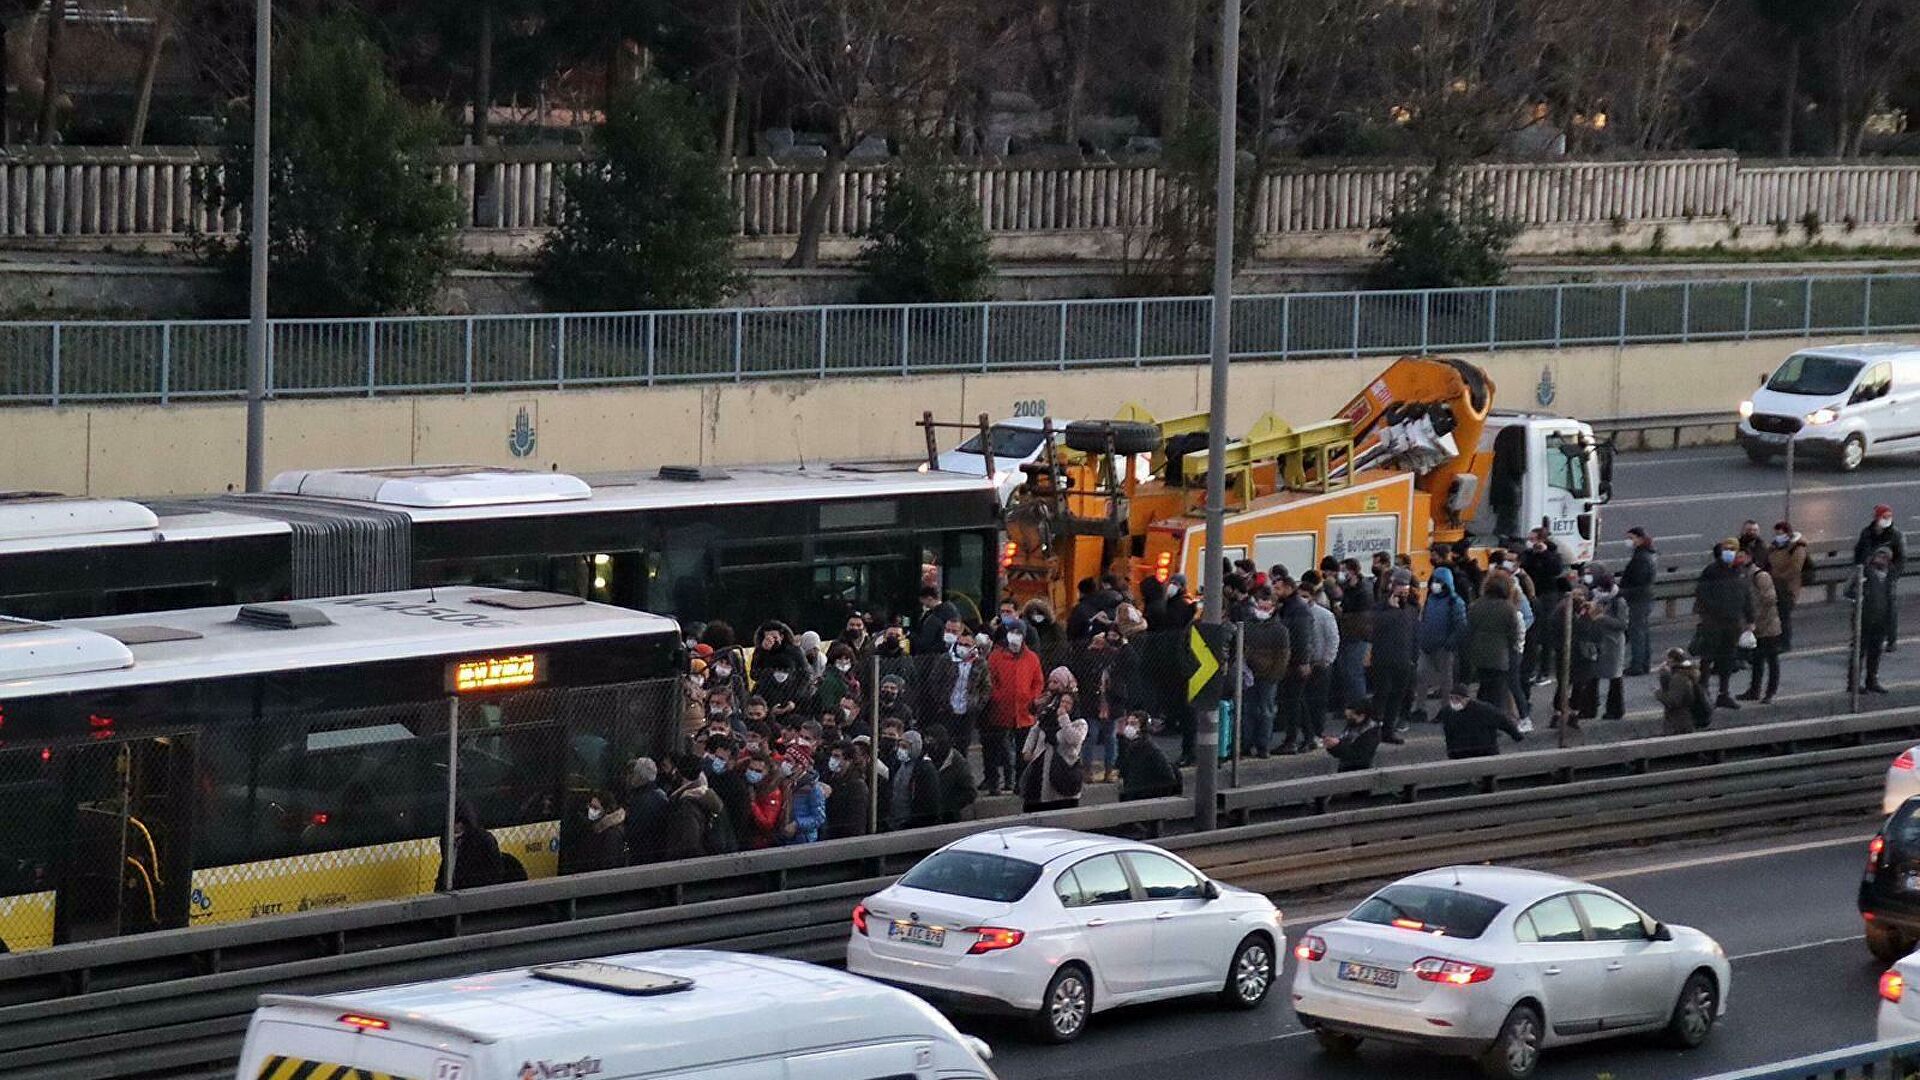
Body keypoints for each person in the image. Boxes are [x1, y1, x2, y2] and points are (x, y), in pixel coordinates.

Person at [984, 623, 1045, 795]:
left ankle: (1020, 783)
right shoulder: (996, 656)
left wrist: (1033, 698)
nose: (1015, 635)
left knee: (1022, 752)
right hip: (1000, 711)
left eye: (1018, 632)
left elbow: (1038, 681)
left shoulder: (1032, 657)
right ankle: (994, 784)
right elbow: (990, 680)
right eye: (1012, 632)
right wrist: (998, 696)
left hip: (1024, 712)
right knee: (995, 751)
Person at [1693, 540, 1751, 710]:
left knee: (1728, 658)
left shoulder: (1739, 571)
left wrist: (1750, 618)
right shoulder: (1712, 571)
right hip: (1714, 622)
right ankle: (1703, 692)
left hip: (1733, 623)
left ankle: (1723, 694)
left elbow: (1745, 595)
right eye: (1727, 549)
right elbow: (1701, 593)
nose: (1730, 552)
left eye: (1733, 550)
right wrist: (1713, 611)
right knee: (1708, 657)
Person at [1021, 668, 1089, 812]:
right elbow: (1036, 729)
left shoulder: (1079, 723)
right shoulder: (1048, 713)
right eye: (1062, 702)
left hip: (1063, 769)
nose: (1063, 705)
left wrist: (1063, 718)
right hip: (1042, 763)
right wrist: (1027, 750)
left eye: (1068, 703)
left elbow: (1072, 739)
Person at [1240, 586, 1291, 757]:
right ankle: (1246, 744)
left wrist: (1273, 676)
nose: (1261, 611)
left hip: (1267, 677)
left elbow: (1282, 657)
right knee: (1248, 710)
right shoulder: (1247, 626)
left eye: (1266, 608)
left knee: (1265, 711)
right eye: (1259, 607)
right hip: (1250, 676)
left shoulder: (1280, 630)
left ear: (1273, 608)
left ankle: (1263, 745)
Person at [928, 628, 992, 760]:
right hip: (947, 710)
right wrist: (941, 701)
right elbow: (934, 681)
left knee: (963, 746)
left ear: (973, 647)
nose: (962, 647)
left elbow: (986, 687)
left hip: (967, 712)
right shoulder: (946, 660)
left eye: (967, 645)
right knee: (944, 744)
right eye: (960, 644)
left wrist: (977, 705)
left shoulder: (980, 663)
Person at [1415, 566, 1467, 722]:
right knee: (1421, 676)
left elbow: (1461, 625)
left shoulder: (1455, 602)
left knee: (1446, 680)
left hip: (1443, 647)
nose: (1435, 584)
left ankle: (1446, 709)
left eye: (1439, 581)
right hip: (1427, 645)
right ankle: (1420, 708)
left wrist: (1450, 643)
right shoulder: (1430, 599)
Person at [1369, 580, 1419, 743]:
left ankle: (1388, 730)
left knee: (1397, 696)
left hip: (1403, 659)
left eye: (1405, 593)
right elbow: (1375, 626)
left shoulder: (1411, 610)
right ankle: (1374, 729)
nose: (1402, 597)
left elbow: (1414, 635)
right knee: (1381, 695)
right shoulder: (1379, 609)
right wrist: (1392, 610)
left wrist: (1413, 657)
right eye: (1399, 594)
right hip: (1383, 659)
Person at [1467, 576, 1521, 715]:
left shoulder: (1476, 605)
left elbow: (1470, 628)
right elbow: (1513, 633)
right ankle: (1493, 722)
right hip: (1500, 655)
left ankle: (1479, 718)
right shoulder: (1508, 608)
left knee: (1483, 687)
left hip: (1479, 653)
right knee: (1497, 692)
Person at [1856, 505, 1906, 651]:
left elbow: (1901, 559)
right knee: (1863, 608)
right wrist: (1862, 570)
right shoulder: (1867, 533)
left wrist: (1892, 576)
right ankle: (1860, 639)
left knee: (1890, 606)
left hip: (1886, 577)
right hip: (1869, 576)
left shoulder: (1895, 536)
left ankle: (1891, 639)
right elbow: (1859, 553)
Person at [1737, 548, 1783, 704]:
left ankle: (1770, 692)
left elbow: (1769, 600)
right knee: (1757, 660)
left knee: (1771, 659)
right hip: (1756, 626)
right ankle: (1754, 690)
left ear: (1750, 557)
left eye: (1742, 556)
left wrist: (1756, 620)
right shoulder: (1743, 575)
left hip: (1768, 626)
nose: (1739, 559)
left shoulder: (1760, 575)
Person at [1853, 546, 1898, 694]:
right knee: (1859, 652)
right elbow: (1848, 590)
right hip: (1864, 618)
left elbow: (1892, 603)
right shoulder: (1863, 572)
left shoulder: (1890, 577)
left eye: (1885, 557)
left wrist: (1892, 635)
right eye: (1879, 555)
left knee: (1875, 653)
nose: (1881, 559)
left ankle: (1871, 680)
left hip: (1881, 620)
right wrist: (1861, 597)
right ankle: (1853, 683)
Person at [1585, 568, 1628, 720]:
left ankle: (1615, 710)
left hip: (1612, 644)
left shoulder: (1619, 601)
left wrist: (1602, 617)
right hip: (1597, 641)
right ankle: (1589, 708)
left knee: (1614, 677)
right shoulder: (1593, 597)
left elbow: (1622, 624)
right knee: (1591, 676)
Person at [1439, 684, 1525, 759]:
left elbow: (1503, 721)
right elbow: (1449, 734)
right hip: (1461, 752)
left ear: (1467, 699)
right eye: (1451, 698)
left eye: (1457, 698)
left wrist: (1516, 735)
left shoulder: (1483, 710)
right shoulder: (1447, 712)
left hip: (1484, 751)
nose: (1454, 701)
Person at [438, 801, 505, 890]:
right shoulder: (446, 839)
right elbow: (445, 865)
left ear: (464, 823)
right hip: (455, 889)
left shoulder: (482, 839)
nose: (452, 826)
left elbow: (496, 871)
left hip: (475, 890)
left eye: (455, 822)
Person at [1116, 711, 1182, 801]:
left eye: (1133, 724)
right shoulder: (1128, 746)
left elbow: (1169, 775)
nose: (1128, 727)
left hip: (1143, 793)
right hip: (1133, 792)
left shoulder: (1149, 748)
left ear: (1142, 727)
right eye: (1128, 723)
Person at [887, 728, 942, 830]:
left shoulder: (925, 769)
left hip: (913, 824)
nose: (900, 750)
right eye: (899, 746)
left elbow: (929, 803)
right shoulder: (899, 765)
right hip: (896, 820)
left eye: (904, 747)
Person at [922, 722, 978, 824]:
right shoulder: (924, 759)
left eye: (931, 740)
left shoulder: (957, 762)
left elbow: (970, 792)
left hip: (948, 816)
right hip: (924, 815)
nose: (928, 743)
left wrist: (948, 806)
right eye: (926, 740)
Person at [1767, 521, 1810, 652]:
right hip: (1775, 586)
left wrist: (1778, 576)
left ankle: (1785, 643)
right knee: (1776, 615)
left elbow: (1795, 569)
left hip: (1788, 588)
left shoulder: (1797, 548)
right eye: (1776, 533)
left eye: (1781, 533)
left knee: (1784, 615)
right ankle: (1777, 641)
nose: (1778, 536)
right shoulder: (1774, 547)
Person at [1621, 527, 1658, 675]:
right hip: (1645, 597)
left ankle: (1637, 665)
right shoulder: (1648, 554)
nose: (1629, 541)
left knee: (1637, 631)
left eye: (1631, 538)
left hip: (1638, 599)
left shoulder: (1641, 558)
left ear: (1640, 538)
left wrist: (1622, 591)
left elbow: (1638, 580)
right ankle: (1644, 663)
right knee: (1643, 631)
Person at [622, 757, 671, 866]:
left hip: (643, 855)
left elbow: (633, 831)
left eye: (634, 774)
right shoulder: (661, 796)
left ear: (640, 777)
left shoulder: (640, 801)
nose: (630, 778)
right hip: (657, 853)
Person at [563, 790, 626, 874]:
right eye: (590, 806)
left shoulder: (611, 834)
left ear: (606, 810)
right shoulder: (592, 828)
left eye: (595, 808)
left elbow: (609, 864)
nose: (591, 810)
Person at [1654, 648, 1709, 736]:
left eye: (1666, 659)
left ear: (1671, 659)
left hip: (1679, 723)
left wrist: (1658, 694)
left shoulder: (1679, 678)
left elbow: (1673, 701)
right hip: (1685, 720)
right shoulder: (1687, 673)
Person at [822, 742, 871, 839]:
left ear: (848, 760)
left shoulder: (857, 785)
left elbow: (857, 822)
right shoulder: (830, 777)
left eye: (836, 756)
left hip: (845, 837)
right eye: (832, 756)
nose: (832, 760)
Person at [782, 744, 829, 845]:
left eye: (789, 761)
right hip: (789, 838)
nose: (784, 763)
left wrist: (797, 824)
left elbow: (819, 818)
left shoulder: (813, 789)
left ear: (800, 765)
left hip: (804, 840)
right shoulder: (790, 783)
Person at [1321, 703, 1383, 772]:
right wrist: (1332, 746)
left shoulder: (1371, 733)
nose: (1348, 719)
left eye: (1351, 716)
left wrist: (1337, 745)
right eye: (1347, 716)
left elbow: (1358, 755)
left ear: (1362, 716)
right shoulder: (1353, 725)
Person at [911, 586, 960, 656]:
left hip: (932, 655)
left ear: (929, 599)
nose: (924, 605)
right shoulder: (951, 610)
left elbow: (925, 641)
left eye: (924, 603)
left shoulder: (934, 617)